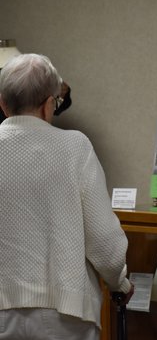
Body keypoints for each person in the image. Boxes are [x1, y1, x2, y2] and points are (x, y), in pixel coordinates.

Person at [0, 53, 134, 340]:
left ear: (2, 103)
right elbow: (104, 242)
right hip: (64, 315)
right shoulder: (75, 147)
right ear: (50, 105)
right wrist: (119, 283)